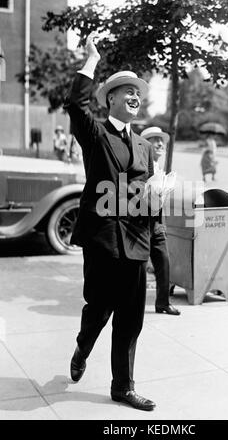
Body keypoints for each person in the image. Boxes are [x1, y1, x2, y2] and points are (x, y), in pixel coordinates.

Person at [64, 32, 156, 411]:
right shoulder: (96, 133)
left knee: (131, 317)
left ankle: (123, 386)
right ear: (111, 99)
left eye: (138, 92)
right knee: (98, 310)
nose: (134, 96)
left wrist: (156, 230)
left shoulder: (147, 147)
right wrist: (91, 60)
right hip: (102, 239)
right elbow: (74, 103)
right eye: (126, 91)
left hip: (136, 242)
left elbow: (149, 195)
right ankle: (83, 346)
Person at [141, 127, 180, 316]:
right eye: (154, 140)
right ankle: (131, 304)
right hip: (140, 223)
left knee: (163, 262)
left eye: (161, 140)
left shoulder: (160, 169)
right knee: (137, 267)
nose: (159, 144)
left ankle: (162, 303)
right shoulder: (140, 166)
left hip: (156, 223)